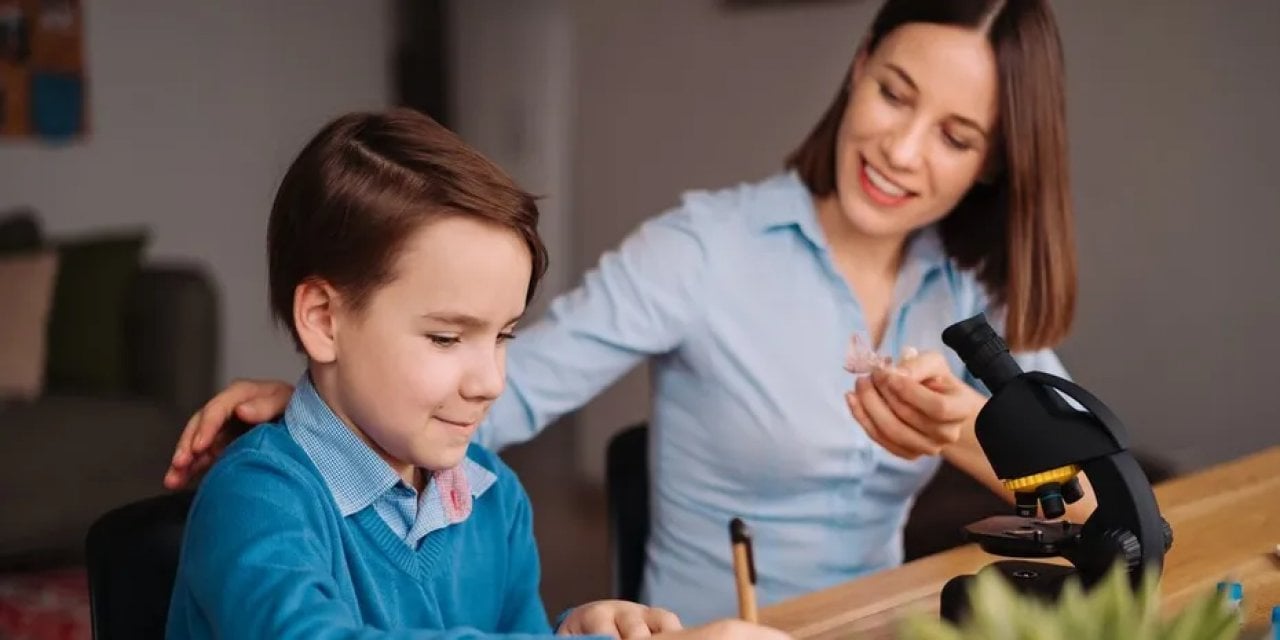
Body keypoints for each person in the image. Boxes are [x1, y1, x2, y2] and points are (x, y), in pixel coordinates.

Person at [165, 0, 1098, 625]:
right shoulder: (705, 249)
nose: (900, 148)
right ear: (857, 69)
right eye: (894, 92)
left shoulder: (975, 292)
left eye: (955, 135)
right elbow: (497, 393)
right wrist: (324, 397)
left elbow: (1098, 502)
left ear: (995, 162)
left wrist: (964, 432)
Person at [164, 108, 789, 640]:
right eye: (446, 337)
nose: (490, 380)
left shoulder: (495, 499)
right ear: (325, 320)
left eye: (504, 336)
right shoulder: (256, 500)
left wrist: (571, 630)